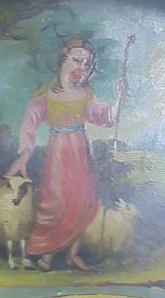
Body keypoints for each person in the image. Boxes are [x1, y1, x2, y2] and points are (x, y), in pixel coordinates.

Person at [7, 35, 129, 271]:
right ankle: (48, 255)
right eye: (77, 61)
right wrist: (24, 153)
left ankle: (72, 255)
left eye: (87, 65)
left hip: (80, 152)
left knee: (82, 202)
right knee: (54, 202)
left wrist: (120, 96)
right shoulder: (45, 97)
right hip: (58, 152)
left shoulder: (86, 96)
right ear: (63, 60)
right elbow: (29, 127)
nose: (82, 68)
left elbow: (106, 117)